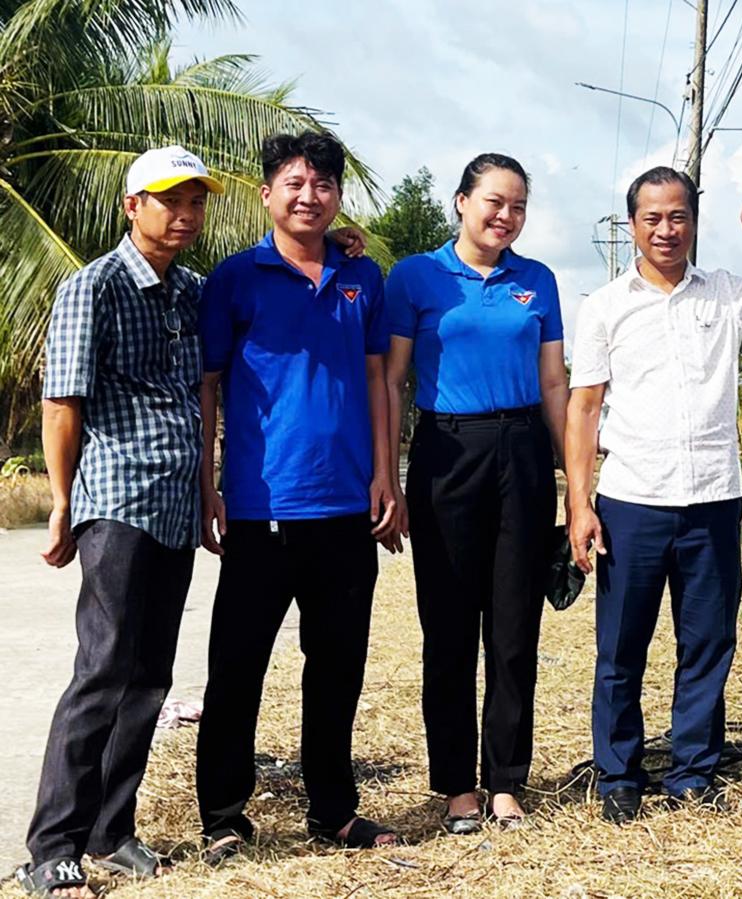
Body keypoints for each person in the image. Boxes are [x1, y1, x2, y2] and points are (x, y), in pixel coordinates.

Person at [15, 146, 221, 898]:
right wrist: (62, 503)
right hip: (116, 500)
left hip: (173, 504)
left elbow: (202, 393)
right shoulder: (93, 286)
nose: (185, 215)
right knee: (102, 668)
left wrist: (207, 491)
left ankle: (111, 829)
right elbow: (61, 403)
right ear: (133, 206)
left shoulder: (193, 291)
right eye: (169, 200)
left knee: (151, 675)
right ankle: (53, 846)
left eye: (195, 202)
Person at [195, 131, 402, 861]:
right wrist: (209, 484)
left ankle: (334, 811)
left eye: (323, 184)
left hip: (346, 508)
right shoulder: (234, 278)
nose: (309, 196)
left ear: (338, 196)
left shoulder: (361, 275)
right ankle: (223, 815)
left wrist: (386, 474)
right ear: (266, 195)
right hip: (262, 509)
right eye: (294, 182)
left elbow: (378, 378)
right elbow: (209, 386)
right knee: (237, 667)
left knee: (338, 668)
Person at [382, 153, 568, 834]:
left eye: (518, 206)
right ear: (462, 201)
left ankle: (506, 782)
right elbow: (392, 380)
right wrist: (388, 472)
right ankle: (458, 785)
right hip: (446, 453)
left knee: (515, 630)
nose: (506, 216)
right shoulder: (416, 276)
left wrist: (577, 480)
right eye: (494, 201)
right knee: (449, 629)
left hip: (523, 451)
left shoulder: (538, 280)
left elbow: (554, 383)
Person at [566, 166, 742, 823]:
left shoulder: (729, 295)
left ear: (694, 222)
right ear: (632, 225)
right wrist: (580, 503)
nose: (666, 229)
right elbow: (583, 407)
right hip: (632, 501)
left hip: (713, 498)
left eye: (678, 216)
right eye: (652, 218)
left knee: (707, 645)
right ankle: (619, 775)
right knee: (621, 649)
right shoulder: (605, 306)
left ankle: (693, 772)